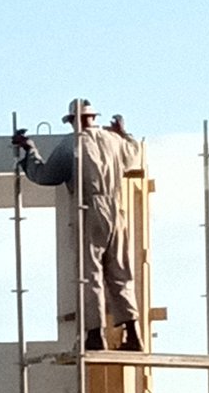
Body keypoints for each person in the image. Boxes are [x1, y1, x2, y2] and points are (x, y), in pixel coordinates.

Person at [13, 98, 143, 351]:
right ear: (94, 118)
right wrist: (123, 132)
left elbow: (46, 176)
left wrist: (30, 152)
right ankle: (133, 335)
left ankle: (95, 336)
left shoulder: (70, 145)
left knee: (89, 275)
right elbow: (133, 152)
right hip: (117, 210)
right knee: (120, 273)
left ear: (73, 120)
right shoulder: (114, 141)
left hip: (89, 209)